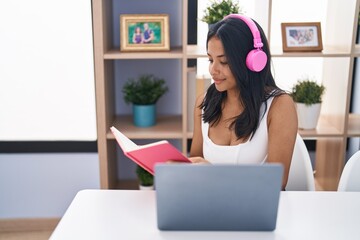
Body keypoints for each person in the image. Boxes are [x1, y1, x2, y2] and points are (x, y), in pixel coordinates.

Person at [188, 14, 298, 190]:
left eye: (223, 61)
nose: (212, 69)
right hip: (209, 204)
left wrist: (213, 174)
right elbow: (195, 162)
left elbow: (277, 182)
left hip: (256, 209)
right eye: (210, 59)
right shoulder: (204, 103)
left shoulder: (279, 106)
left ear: (253, 62)